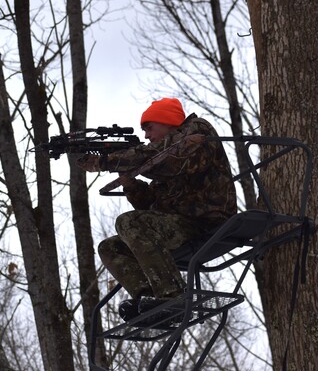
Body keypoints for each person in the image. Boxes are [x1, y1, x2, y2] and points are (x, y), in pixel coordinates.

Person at [77, 97, 237, 322]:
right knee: (110, 247)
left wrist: (108, 161)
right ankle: (149, 301)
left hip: (208, 222)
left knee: (129, 222)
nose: (146, 136)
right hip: (182, 225)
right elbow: (152, 208)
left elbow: (164, 158)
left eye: (149, 128)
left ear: (167, 121)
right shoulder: (164, 159)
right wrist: (132, 185)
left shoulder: (197, 132)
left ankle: (174, 296)